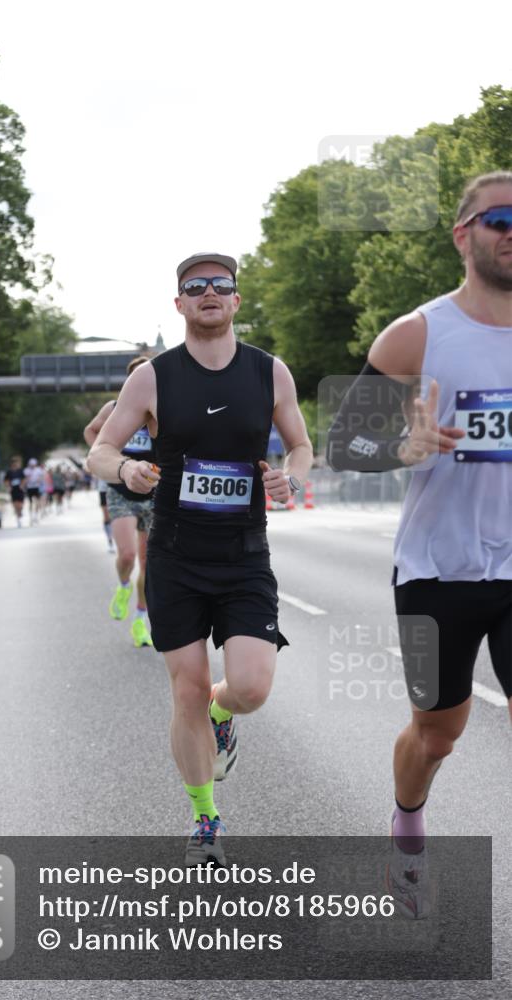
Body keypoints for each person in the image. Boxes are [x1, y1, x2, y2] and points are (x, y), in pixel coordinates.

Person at [326, 172, 512, 917]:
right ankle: (407, 831)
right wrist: (402, 446)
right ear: (463, 234)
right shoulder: (416, 334)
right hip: (438, 568)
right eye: (500, 218)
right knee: (436, 736)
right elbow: (344, 445)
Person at [88, 252, 313, 864]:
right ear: (180, 304)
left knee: (250, 686)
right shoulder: (152, 378)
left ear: (237, 300)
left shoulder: (270, 373)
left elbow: (300, 445)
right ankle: (205, 818)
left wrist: (290, 478)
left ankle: (224, 710)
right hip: (175, 556)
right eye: (196, 286)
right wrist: (126, 467)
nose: (209, 292)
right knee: (184, 690)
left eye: (221, 285)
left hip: (243, 554)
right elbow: (100, 451)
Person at [84, 356, 155, 648]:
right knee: (127, 556)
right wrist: (108, 458)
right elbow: (91, 431)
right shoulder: (114, 409)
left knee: (150, 566)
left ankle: (140, 620)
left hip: (153, 492)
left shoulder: (161, 409)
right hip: (120, 489)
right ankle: (124, 586)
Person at [4, 456, 27, 527]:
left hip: (20, 489)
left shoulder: (20, 471)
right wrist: (8, 487)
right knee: (15, 505)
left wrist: (22, 485)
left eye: (16, 463)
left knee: (20, 505)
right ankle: (18, 520)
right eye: (14, 463)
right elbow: (6, 480)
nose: (15, 464)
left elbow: (24, 479)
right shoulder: (9, 472)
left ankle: (20, 512)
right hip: (13, 490)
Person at [24, 458, 44, 523]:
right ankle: (31, 516)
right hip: (29, 487)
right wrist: (27, 480)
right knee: (30, 503)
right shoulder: (26, 470)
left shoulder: (38, 470)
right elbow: (25, 479)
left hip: (36, 487)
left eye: (33, 465)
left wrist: (39, 480)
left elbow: (41, 478)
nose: (32, 466)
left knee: (37, 502)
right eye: (31, 465)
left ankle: (36, 515)